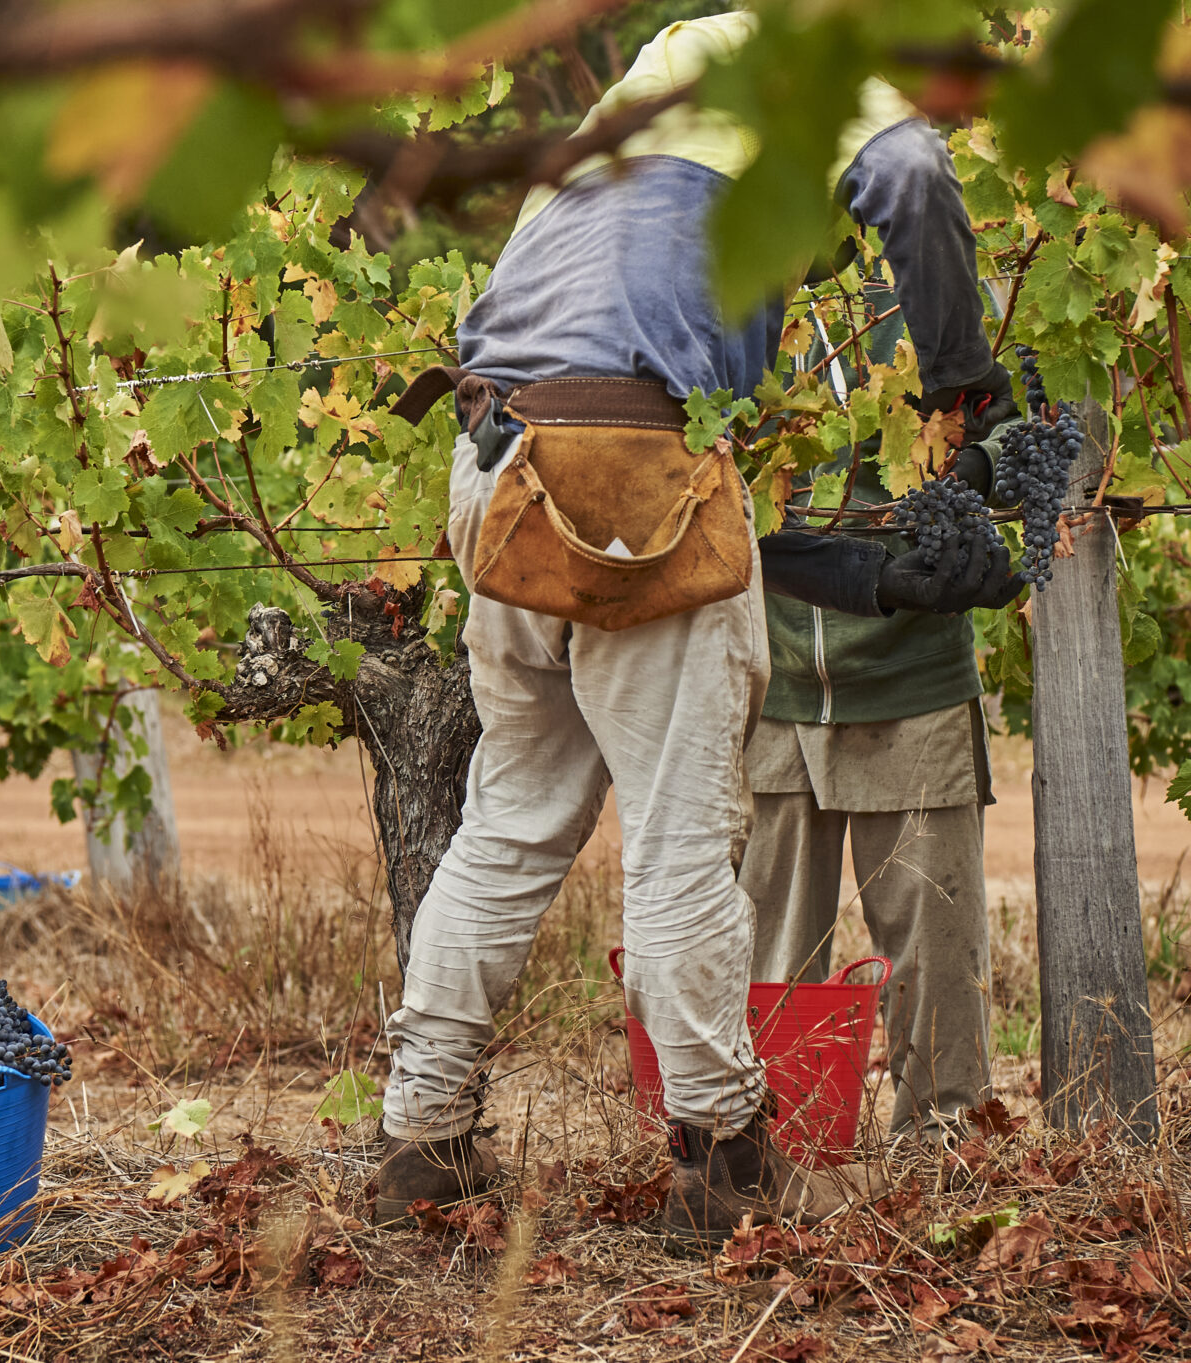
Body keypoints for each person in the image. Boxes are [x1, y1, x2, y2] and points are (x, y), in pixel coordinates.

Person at [374, 12, 1017, 1246]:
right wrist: (958, 385)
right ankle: (722, 1156)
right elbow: (909, 177)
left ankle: (421, 1138)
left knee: (507, 820)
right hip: (627, 473)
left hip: (495, 468)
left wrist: (879, 578)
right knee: (679, 840)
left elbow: (626, 436)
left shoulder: (629, 117)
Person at [739, 92, 1020, 1144]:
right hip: (770, 685)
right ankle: (773, 1157)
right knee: (769, 969)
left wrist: (977, 477)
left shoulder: (930, 288)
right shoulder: (737, 306)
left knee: (937, 966)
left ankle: (944, 1168)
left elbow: (1010, 421)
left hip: (912, 680)